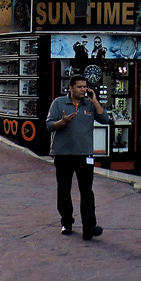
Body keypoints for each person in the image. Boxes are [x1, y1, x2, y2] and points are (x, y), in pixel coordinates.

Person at [46, 74, 111, 240]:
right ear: (71, 88)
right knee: (64, 190)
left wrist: (95, 102)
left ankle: (89, 227)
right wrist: (62, 122)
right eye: (80, 87)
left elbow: (105, 119)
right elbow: (49, 125)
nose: (83, 90)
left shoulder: (89, 103)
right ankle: (66, 222)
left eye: (85, 86)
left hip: (84, 154)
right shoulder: (59, 102)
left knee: (87, 191)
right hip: (63, 154)